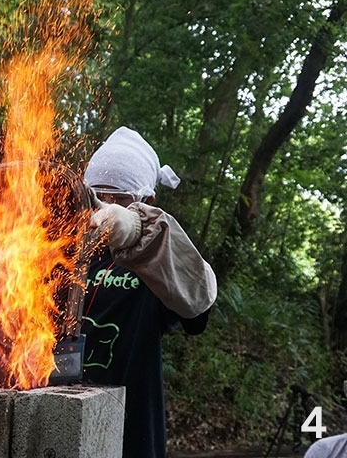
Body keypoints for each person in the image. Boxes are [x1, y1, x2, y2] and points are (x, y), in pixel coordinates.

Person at [81, 126, 218, 458]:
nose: (106, 207)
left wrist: (135, 229)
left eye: (119, 198)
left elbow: (198, 310)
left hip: (131, 427)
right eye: (98, 196)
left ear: (146, 200)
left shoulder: (158, 256)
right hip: (58, 413)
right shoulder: (66, 250)